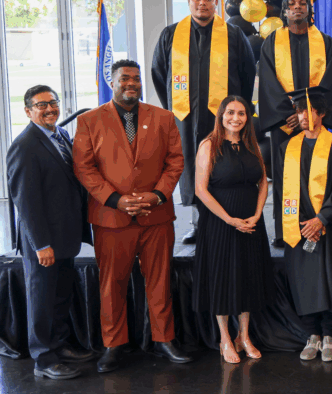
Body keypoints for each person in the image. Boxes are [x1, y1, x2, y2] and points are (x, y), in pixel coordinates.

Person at [72, 60, 193, 372]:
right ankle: (113, 345)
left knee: (160, 280)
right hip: (112, 219)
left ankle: (164, 340)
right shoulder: (88, 121)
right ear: (111, 82)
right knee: (112, 284)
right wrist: (116, 200)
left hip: (157, 216)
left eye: (137, 79)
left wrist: (157, 195)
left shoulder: (164, 118)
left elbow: (175, 161)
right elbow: (84, 168)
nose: (132, 84)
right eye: (125, 78)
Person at [151, 0, 257, 244]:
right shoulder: (171, 35)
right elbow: (159, 74)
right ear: (188, 1)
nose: (202, 3)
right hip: (185, 116)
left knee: (223, 166)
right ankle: (199, 224)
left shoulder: (233, 34)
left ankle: (225, 218)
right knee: (191, 166)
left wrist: (236, 114)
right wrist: (176, 108)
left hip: (223, 119)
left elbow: (246, 75)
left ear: (216, 3)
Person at [7, 86, 95, 380]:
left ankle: (60, 345)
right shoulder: (25, 145)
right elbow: (26, 202)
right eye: (40, 105)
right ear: (28, 111)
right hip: (43, 241)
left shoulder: (61, 136)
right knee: (42, 299)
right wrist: (40, 244)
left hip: (65, 236)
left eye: (53, 103)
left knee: (60, 295)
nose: (49, 109)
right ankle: (44, 359)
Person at [274, 86, 332, 363]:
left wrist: (321, 219)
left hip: (328, 227)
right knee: (304, 280)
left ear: (321, 113)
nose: (303, 116)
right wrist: (294, 225)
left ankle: (330, 335)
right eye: (299, 111)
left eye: (308, 111)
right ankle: (312, 335)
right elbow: (282, 192)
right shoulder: (286, 147)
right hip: (299, 227)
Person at [192, 95, 274, 364]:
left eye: (241, 113)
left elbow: (263, 182)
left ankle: (244, 336)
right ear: (221, 115)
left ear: (247, 117)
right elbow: (200, 190)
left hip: (250, 222)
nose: (235, 118)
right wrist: (228, 219)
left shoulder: (252, 145)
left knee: (248, 277)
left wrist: (258, 214)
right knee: (222, 279)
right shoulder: (208, 145)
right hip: (220, 223)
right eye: (230, 113)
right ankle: (225, 338)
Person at [258, 0, 332, 247]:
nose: (297, 7)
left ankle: (318, 224)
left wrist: (313, 114)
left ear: (309, 8)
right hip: (286, 124)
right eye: (291, 4)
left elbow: (330, 81)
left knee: (319, 174)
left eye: (302, 3)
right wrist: (289, 114)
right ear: (283, 10)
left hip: (317, 122)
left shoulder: (325, 41)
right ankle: (285, 230)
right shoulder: (271, 42)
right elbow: (268, 82)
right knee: (285, 177)